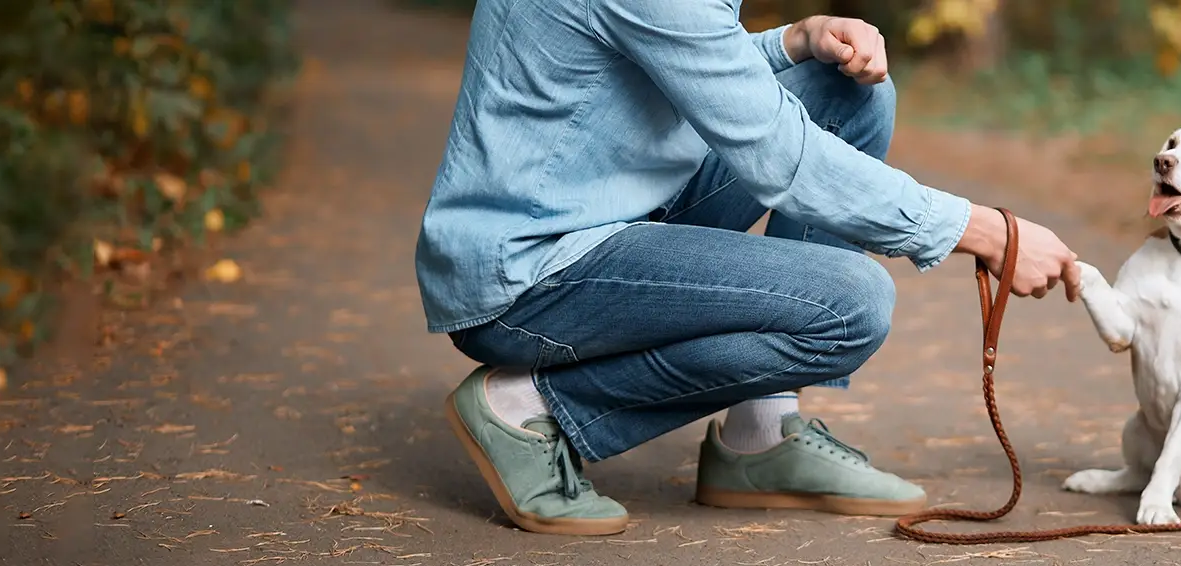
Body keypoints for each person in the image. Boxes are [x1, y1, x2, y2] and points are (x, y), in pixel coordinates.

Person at [416, 0, 1082, 536]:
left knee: (844, 92)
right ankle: (526, 405)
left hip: (617, 208)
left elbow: (685, 62)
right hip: (530, 271)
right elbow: (781, 156)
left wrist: (797, 39)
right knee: (849, 305)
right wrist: (984, 230)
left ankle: (760, 437)